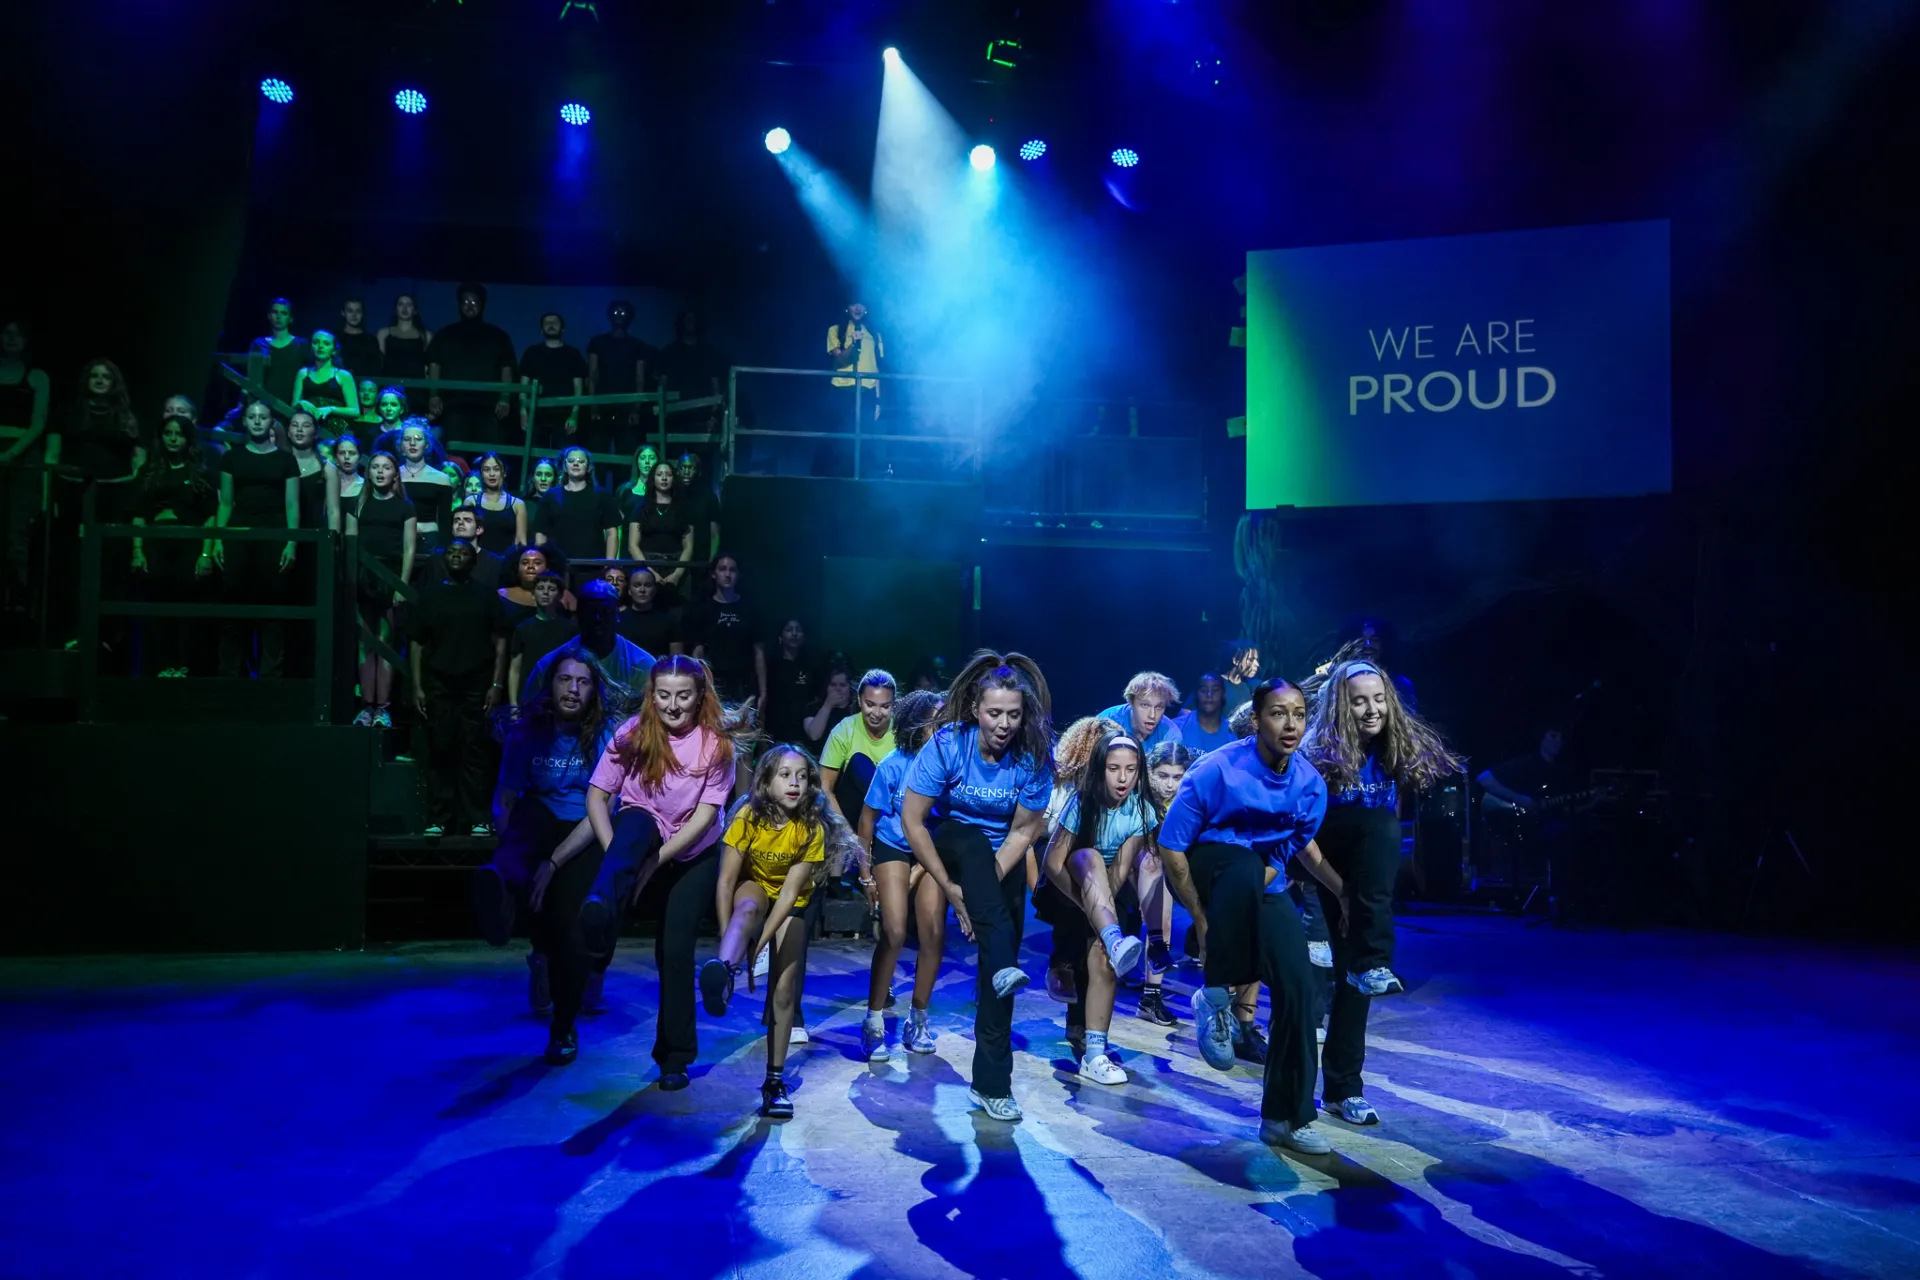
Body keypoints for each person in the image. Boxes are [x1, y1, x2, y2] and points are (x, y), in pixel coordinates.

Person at [1154, 677, 1350, 1154]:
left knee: (1299, 989)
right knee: (1241, 864)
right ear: (1257, 719)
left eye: (1299, 714)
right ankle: (1215, 994)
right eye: (1279, 713)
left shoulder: (1308, 785)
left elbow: (1289, 850)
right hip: (1205, 869)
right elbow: (1171, 846)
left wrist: (1343, 893)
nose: (1290, 724)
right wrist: (1202, 922)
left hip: (1259, 882)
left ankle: (1286, 1116)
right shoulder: (1216, 769)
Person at [1302, 658, 1461, 1126]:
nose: (1372, 710)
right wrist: (1342, 893)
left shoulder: (1390, 750)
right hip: (1317, 864)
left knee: (1355, 983)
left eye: (1378, 699)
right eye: (1359, 701)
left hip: (1363, 873)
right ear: (1339, 706)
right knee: (1378, 823)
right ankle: (1373, 958)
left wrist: (1363, 893)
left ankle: (1342, 1090)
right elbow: (1301, 838)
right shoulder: (1317, 755)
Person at [900, 650, 1055, 1122]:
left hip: (999, 861)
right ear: (975, 710)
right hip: (948, 844)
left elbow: (1025, 832)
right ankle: (1003, 958)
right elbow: (913, 819)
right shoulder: (949, 743)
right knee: (968, 837)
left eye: (1013, 714)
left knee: (999, 982)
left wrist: (983, 886)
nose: (1004, 724)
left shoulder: (1033, 754)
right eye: (994, 713)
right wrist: (951, 890)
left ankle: (992, 1086)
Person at [582, 655, 736, 1089]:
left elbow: (705, 818)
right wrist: (621, 863)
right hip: (643, 829)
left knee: (675, 950)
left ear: (699, 696)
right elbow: (597, 799)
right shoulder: (632, 733)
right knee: (633, 822)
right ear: (652, 695)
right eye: (664, 695)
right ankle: (599, 909)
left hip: (693, 853)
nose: (672, 705)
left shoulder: (715, 744)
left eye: (682, 696)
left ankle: (674, 1057)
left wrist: (656, 862)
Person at [474, 648, 619, 1065]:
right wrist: (515, 854)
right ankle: (500, 888)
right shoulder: (528, 731)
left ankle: (563, 1029)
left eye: (583, 681)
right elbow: (503, 801)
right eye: (564, 679)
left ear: (594, 691)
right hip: (535, 827)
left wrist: (552, 863)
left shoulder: (605, 734)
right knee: (530, 814)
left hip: (583, 830)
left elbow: (602, 811)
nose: (573, 689)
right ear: (550, 684)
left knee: (569, 934)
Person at [699, 746, 859, 1118]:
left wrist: (761, 950)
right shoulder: (747, 818)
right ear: (767, 782)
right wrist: (734, 950)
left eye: (802, 776)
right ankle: (722, 969)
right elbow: (725, 883)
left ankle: (774, 1081)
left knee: (784, 989)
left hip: (792, 902)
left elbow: (789, 895)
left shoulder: (812, 827)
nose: (795, 783)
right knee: (748, 906)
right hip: (752, 888)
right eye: (785, 775)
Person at [1039, 724, 1155, 1085]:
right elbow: (1052, 863)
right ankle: (1113, 936)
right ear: (1100, 768)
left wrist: (1100, 915)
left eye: (1131, 770)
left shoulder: (1141, 809)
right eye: (1114, 769)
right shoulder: (1081, 802)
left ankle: (1095, 1054)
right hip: (1066, 886)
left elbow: (1121, 869)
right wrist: (1085, 904)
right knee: (1088, 855)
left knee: (1104, 959)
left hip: (1106, 890)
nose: (1123, 778)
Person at [853, 689, 944, 1059]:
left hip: (932, 851)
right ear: (917, 725)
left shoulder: (950, 765)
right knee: (892, 930)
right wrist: (865, 875)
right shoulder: (894, 764)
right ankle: (874, 1019)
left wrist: (923, 868)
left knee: (933, 932)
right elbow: (866, 821)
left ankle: (917, 1018)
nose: (943, 729)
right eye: (935, 722)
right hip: (892, 846)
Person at [409, 538, 508, 837]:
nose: (456, 556)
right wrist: (416, 685)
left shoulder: (486, 596)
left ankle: (477, 817)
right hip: (439, 682)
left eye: (463, 553)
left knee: (475, 750)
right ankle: (438, 819)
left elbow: (502, 642)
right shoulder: (430, 596)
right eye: (451, 552)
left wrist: (496, 683)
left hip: (476, 684)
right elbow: (415, 641)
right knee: (441, 749)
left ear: (472, 560)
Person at [46, 359, 146, 644]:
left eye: (106, 376)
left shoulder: (126, 417)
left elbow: (140, 461)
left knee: (110, 565)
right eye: (95, 375)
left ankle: (105, 637)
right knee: (71, 565)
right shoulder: (67, 413)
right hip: (72, 495)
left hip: (113, 498)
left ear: (115, 382)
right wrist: (50, 496)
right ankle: (70, 632)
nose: (100, 380)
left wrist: (130, 490)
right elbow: (51, 457)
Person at [213, 399, 297, 678]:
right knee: (233, 603)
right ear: (245, 421)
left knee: (272, 606)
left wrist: (291, 542)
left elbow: (292, 505)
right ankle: (230, 673)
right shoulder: (231, 457)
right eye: (252, 417)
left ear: (272, 421)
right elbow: (225, 503)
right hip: (238, 534)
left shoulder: (286, 459)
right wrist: (217, 540)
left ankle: (271, 675)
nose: (258, 421)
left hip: (273, 535)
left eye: (263, 417)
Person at [129, 412, 217, 677]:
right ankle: (159, 666)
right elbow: (138, 514)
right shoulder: (150, 472)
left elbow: (211, 517)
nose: (173, 438)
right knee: (156, 607)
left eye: (179, 434)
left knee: (185, 608)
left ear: (188, 439)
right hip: (156, 545)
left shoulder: (201, 474)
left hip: (189, 545)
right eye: (168, 433)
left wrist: (206, 553)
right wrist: (137, 550)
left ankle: (183, 665)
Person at [345, 451, 415, 727]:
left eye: (386, 467)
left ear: (395, 474)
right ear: (369, 472)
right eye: (375, 467)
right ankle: (367, 706)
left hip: (390, 577)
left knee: (385, 643)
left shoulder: (405, 507)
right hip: (362, 576)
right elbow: (350, 544)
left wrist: (402, 584)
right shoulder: (357, 504)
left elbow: (409, 549)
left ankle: (382, 707)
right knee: (365, 643)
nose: (380, 471)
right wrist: (351, 582)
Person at [1135, 741, 1201, 1026]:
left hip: (1173, 866)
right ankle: (1151, 993)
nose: (1169, 785)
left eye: (1177, 777)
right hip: (1133, 862)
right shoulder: (1138, 795)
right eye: (1162, 776)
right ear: (1149, 771)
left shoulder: (1191, 796)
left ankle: (1152, 996)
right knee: (1153, 866)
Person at [520, 577, 655, 706]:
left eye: (605, 611)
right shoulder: (549, 666)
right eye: (590, 611)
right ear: (578, 615)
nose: (597, 618)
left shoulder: (643, 665)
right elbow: (529, 714)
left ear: (617, 615)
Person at [426, 283, 516, 449]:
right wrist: (434, 395)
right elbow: (434, 365)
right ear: (459, 305)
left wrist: (504, 398)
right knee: (455, 454)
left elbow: (507, 369)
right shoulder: (445, 334)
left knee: (488, 456)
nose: (469, 306)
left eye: (474, 302)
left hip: (489, 407)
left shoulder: (498, 335)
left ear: (482, 305)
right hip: (454, 405)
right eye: (465, 302)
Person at [0, 320, 52, 598]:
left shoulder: (37, 377)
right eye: (7, 333)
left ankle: (16, 601)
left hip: (23, 455)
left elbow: (38, 422)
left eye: (18, 333)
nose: (11, 338)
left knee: (17, 531)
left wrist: (11, 453)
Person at [685, 552, 764, 706]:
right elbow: (697, 652)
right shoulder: (702, 608)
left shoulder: (750, 608)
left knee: (744, 728)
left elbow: (759, 651)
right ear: (714, 574)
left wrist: (764, 692)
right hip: (713, 683)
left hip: (744, 683)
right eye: (722, 569)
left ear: (738, 574)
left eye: (732, 570)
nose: (727, 574)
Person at [820, 669, 896, 826]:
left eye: (885, 706)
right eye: (870, 704)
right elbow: (824, 788)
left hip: (889, 816)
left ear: (893, 705)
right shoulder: (845, 730)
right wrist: (846, 833)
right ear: (860, 700)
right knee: (859, 762)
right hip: (851, 816)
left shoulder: (901, 733)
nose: (876, 713)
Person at [586, 299, 653, 455]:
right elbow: (592, 374)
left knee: (626, 457)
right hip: (601, 406)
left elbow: (639, 378)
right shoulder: (598, 342)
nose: (619, 316)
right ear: (610, 315)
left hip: (627, 408)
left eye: (623, 312)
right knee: (597, 455)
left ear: (629, 316)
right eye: (615, 312)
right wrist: (592, 406)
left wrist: (636, 409)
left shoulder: (637, 345)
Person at [534, 446, 620, 566]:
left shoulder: (602, 496)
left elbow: (612, 533)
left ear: (589, 467)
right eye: (571, 460)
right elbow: (541, 534)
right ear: (565, 466)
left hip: (593, 567)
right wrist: (542, 563)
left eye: (581, 461)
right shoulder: (551, 496)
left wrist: (609, 565)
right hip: (558, 566)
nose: (576, 463)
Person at [623, 458, 693, 597]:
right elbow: (632, 545)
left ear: (674, 478)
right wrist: (650, 572)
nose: (664, 478)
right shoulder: (641, 507)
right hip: (647, 564)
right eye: (659, 474)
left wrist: (677, 574)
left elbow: (689, 546)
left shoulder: (683, 508)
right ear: (653, 478)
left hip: (677, 565)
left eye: (668, 474)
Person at [519, 312, 588, 448]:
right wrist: (523, 412)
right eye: (547, 323)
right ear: (541, 330)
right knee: (535, 460)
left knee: (563, 458)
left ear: (562, 329)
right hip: (536, 415)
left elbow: (578, 388)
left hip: (564, 416)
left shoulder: (572, 354)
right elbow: (523, 386)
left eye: (555, 323)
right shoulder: (531, 352)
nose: (551, 326)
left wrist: (574, 415)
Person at [507, 571, 575, 701]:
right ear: (533, 594)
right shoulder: (523, 628)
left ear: (560, 595)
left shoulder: (570, 629)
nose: (545, 593)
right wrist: (513, 704)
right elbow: (515, 669)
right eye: (540, 588)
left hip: (558, 695)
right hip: (529, 696)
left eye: (551, 589)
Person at [392, 418, 454, 551]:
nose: (412, 443)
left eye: (418, 439)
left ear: (426, 445)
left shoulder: (441, 479)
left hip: (430, 541)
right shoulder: (392, 476)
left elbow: (445, 522)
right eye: (407, 439)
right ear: (401, 446)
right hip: (397, 538)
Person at [291, 330, 362, 440]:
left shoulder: (343, 375)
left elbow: (355, 410)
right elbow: (293, 405)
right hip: (309, 429)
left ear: (334, 350)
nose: (320, 346)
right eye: (316, 342)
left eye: (326, 343)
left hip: (336, 431)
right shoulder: (303, 373)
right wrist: (301, 403)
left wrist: (330, 409)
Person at [248, 297, 310, 411]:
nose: (278, 316)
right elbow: (251, 378)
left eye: (284, 313)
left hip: (291, 406)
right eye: (275, 312)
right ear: (269, 315)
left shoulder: (301, 344)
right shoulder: (259, 344)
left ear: (290, 318)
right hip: (263, 406)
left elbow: (308, 377)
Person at [1098, 671, 1184, 753]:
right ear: (1131, 702)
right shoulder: (1105, 721)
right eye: (1145, 705)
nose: (1152, 715)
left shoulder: (1171, 735)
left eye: (1159, 707)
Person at [762, 618, 817, 744]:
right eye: (789, 630)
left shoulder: (810, 665)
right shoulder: (771, 664)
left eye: (798, 630)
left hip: (802, 729)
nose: (794, 634)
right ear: (780, 636)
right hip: (775, 727)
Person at [464, 452, 527, 555]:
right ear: (481, 473)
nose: (492, 474)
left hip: (505, 563)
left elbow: (521, 542)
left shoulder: (517, 505)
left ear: (504, 472)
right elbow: (466, 538)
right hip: (477, 561)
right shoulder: (471, 502)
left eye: (496, 469)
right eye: (487, 469)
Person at [376, 294, 432, 406]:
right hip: (390, 390)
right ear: (396, 309)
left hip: (417, 391)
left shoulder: (426, 336)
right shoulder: (383, 334)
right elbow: (379, 365)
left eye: (409, 305)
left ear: (415, 310)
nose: (404, 308)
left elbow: (428, 369)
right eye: (401, 304)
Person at [615, 564, 680, 656]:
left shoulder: (669, 621)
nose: (642, 590)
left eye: (648, 585)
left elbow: (676, 662)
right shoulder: (617, 620)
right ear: (629, 590)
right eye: (637, 585)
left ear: (654, 590)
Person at [1173, 673, 1239, 753]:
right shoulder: (1177, 727)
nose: (1209, 695)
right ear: (1196, 694)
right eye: (1203, 690)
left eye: (1215, 690)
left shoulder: (1232, 736)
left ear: (1223, 694)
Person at [675, 451, 720, 563]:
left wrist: (711, 560)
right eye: (683, 467)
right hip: (676, 558)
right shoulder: (672, 495)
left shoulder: (708, 496)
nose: (686, 471)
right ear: (678, 471)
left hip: (701, 559)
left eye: (691, 468)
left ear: (698, 471)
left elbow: (715, 534)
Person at [334, 298, 382, 383]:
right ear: (343, 313)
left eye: (358, 311)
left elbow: (376, 369)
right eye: (350, 311)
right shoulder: (334, 338)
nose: (354, 315)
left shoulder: (371, 340)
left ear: (363, 314)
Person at [1215, 640, 1261, 717]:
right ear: (1236, 660)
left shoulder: (1252, 686)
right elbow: (1188, 713)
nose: (1257, 664)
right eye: (1251, 660)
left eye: (1256, 660)